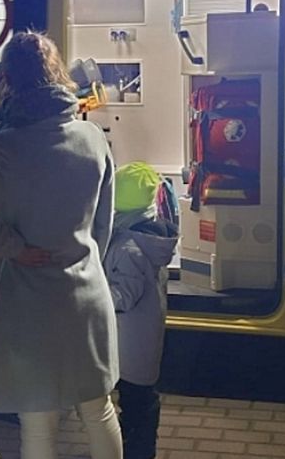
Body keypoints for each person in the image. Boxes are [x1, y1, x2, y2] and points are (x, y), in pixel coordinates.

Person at [0, 31, 122, 459]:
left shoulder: (0, 147)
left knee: (38, 424)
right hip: (86, 294)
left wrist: (14, 247)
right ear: (58, 73)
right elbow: (104, 222)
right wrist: (84, 258)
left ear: (8, 79)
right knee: (98, 411)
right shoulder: (91, 137)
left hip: (27, 303)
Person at [104, 162, 178, 459]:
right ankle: (138, 447)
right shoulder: (148, 238)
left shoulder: (128, 247)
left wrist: (93, 296)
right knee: (141, 400)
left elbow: (123, 296)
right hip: (144, 338)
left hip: (129, 344)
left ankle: (138, 451)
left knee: (136, 403)